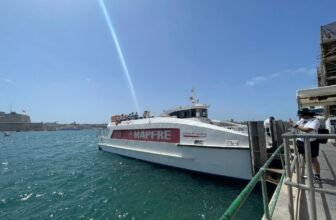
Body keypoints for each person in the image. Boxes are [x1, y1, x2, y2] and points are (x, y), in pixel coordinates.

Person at [288, 108, 321, 183]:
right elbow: (297, 125)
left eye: (302, 115)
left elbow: (307, 130)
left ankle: (317, 175)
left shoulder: (315, 121)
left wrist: (294, 125)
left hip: (312, 142)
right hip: (300, 141)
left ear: (307, 115)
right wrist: (292, 123)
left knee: (313, 159)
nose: (301, 116)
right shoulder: (302, 120)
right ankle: (310, 174)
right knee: (306, 158)